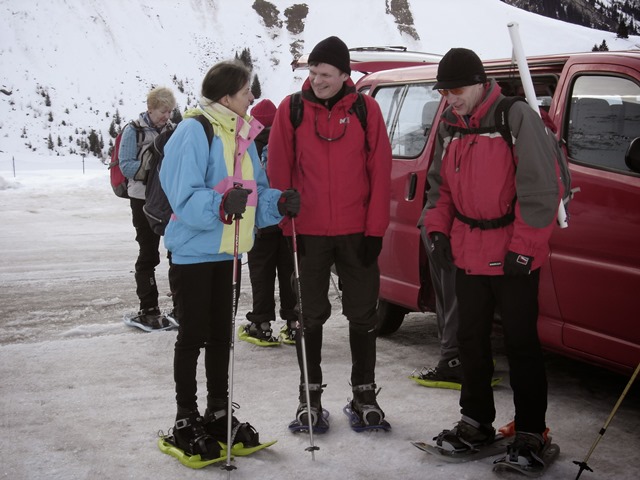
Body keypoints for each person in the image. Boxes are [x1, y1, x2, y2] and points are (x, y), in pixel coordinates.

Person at [421, 48, 561, 469]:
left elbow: (540, 189)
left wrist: (526, 249)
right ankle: (476, 421)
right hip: (468, 252)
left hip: (513, 254)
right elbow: (438, 189)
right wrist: (437, 230)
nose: (451, 98)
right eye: (444, 91)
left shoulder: (514, 117)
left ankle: (531, 431)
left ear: (481, 82)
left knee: (521, 344)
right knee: (471, 341)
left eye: (457, 89)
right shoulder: (449, 124)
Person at [159, 60, 300, 459]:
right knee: (192, 336)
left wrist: (279, 203)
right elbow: (181, 194)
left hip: (227, 251)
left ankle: (218, 411)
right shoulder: (193, 130)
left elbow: (254, 193)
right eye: (245, 92)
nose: (251, 98)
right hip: (192, 253)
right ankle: (185, 417)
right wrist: (221, 204)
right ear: (226, 96)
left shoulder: (243, 134)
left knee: (222, 336)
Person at [267, 36, 393, 430]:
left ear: (344, 75)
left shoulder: (366, 110)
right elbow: (279, 175)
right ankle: (309, 397)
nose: (317, 80)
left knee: (363, 315)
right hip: (309, 234)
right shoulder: (291, 111)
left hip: (357, 233)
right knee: (308, 317)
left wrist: (375, 231)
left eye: (325, 74)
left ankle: (364, 395)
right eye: (313, 73)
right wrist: (290, 228)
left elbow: (381, 172)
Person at [118, 86, 177, 331]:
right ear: (150, 109)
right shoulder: (133, 131)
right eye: (163, 111)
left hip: (168, 198)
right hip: (142, 200)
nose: (167, 117)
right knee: (148, 253)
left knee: (177, 251)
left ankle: (181, 305)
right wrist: (151, 166)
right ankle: (149, 308)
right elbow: (126, 166)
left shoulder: (173, 131)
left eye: (170, 112)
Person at [240, 99, 298, 346]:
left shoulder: (248, 145)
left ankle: (261, 324)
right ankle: (294, 323)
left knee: (261, 274)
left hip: (260, 222)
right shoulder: (288, 142)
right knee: (289, 273)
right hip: (286, 219)